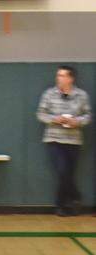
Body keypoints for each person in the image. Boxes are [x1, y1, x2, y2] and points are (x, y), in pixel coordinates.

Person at [36, 65, 90, 217]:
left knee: (69, 173)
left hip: (74, 140)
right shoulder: (49, 94)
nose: (59, 78)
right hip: (54, 138)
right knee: (62, 171)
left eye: (62, 75)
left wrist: (77, 122)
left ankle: (68, 204)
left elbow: (87, 116)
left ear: (70, 78)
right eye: (58, 75)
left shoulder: (81, 95)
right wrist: (55, 119)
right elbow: (40, 114)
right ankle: (68, 200)